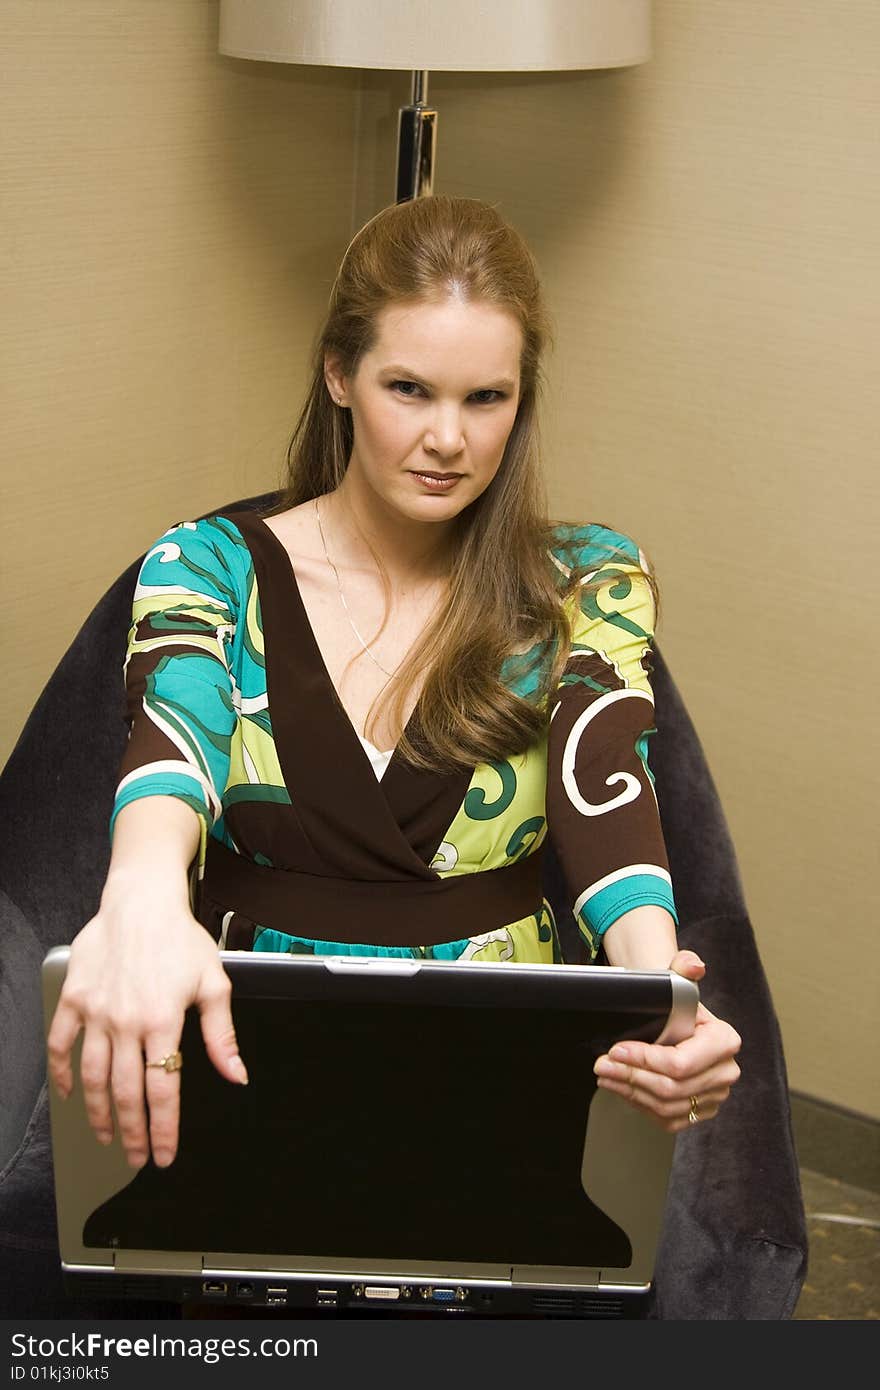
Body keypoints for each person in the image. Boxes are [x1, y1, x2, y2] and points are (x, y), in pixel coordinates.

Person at [47, 195, 741, 1176]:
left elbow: (606, 789)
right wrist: (142, 893)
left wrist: (657, 994)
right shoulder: (207, 568)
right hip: (239, 1063)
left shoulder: (588, 580)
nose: (448, 439)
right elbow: (172, 743)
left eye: (485, 398)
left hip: (495, 1081)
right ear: (338, 374)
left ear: (522, 397)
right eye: (409, 389)